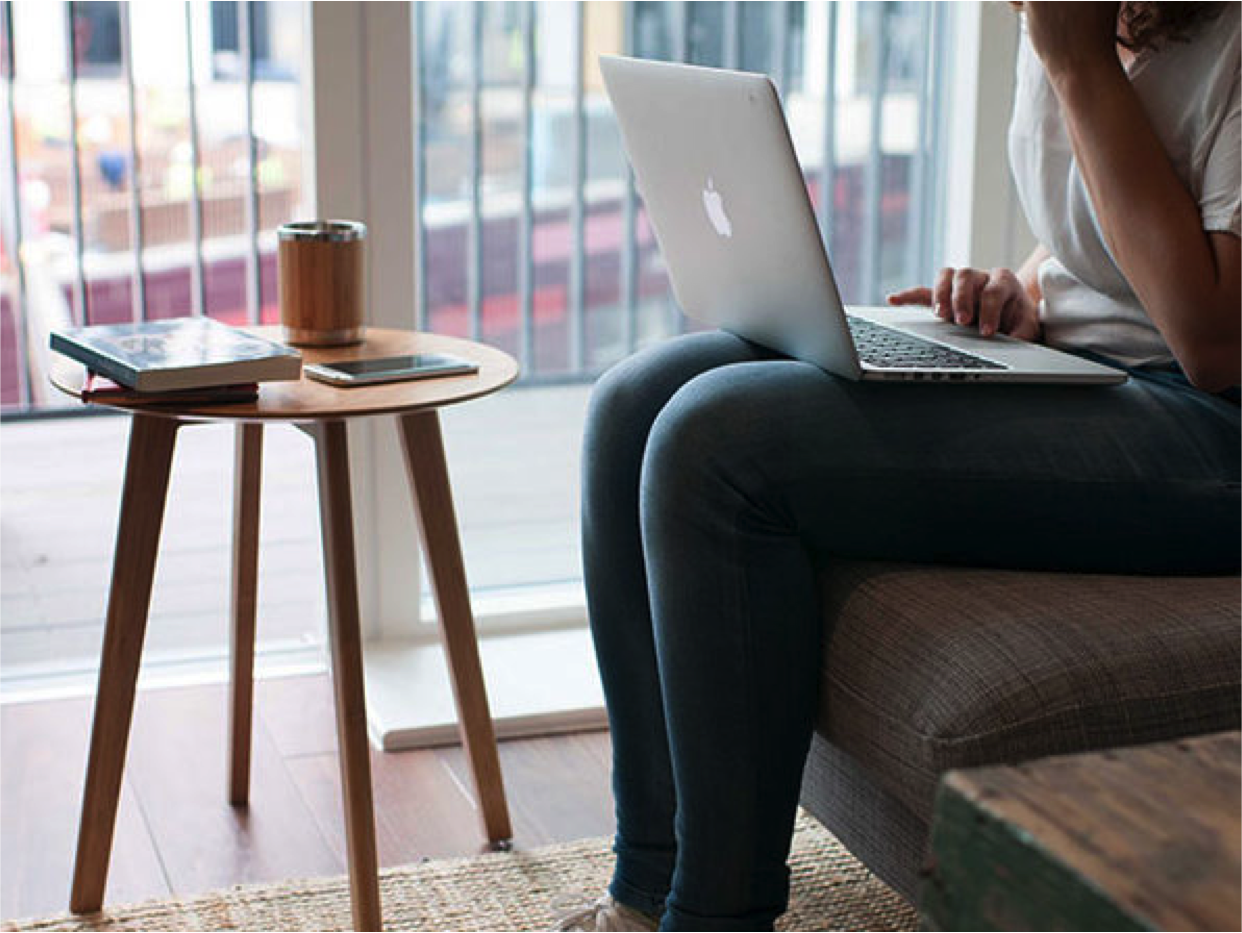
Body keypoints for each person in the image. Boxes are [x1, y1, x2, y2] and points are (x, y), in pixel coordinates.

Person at [557, 2, 1242, 930]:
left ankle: (714, 918)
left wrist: (1079, 65)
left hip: (1209, 419)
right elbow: (1113, 227)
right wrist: (1025, 288)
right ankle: (645, 890)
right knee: (633, 405)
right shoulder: (1084, 13)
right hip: (1087, 364)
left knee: (717, 444)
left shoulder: (1141, 36)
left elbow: (1214, 340)